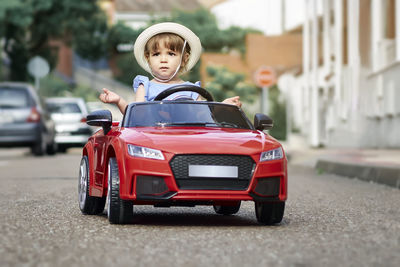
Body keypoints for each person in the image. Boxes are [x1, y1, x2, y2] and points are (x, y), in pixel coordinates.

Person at [99, 22, 242, 113]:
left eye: (171, 54)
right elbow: (136, 116)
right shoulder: (146, 86)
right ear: (148, 58)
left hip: (186, 140)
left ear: (184, 59)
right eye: (156, 54)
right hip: (153, 139)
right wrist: (119, 101)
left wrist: (223, 106)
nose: (163, 59)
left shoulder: (192, 90)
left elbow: (205, 115)